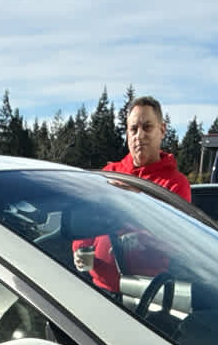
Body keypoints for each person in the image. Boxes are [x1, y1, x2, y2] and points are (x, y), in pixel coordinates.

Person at [73, 96, 191, 292]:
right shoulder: (110, 173)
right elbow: (88, 218)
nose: (139, 135)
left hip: (144, 293)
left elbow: (176, 243)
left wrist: (138, 214)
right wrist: (80, 247)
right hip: (99, 289)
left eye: (147, 127)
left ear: (162, 130)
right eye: (133, 129)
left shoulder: (175, 184)